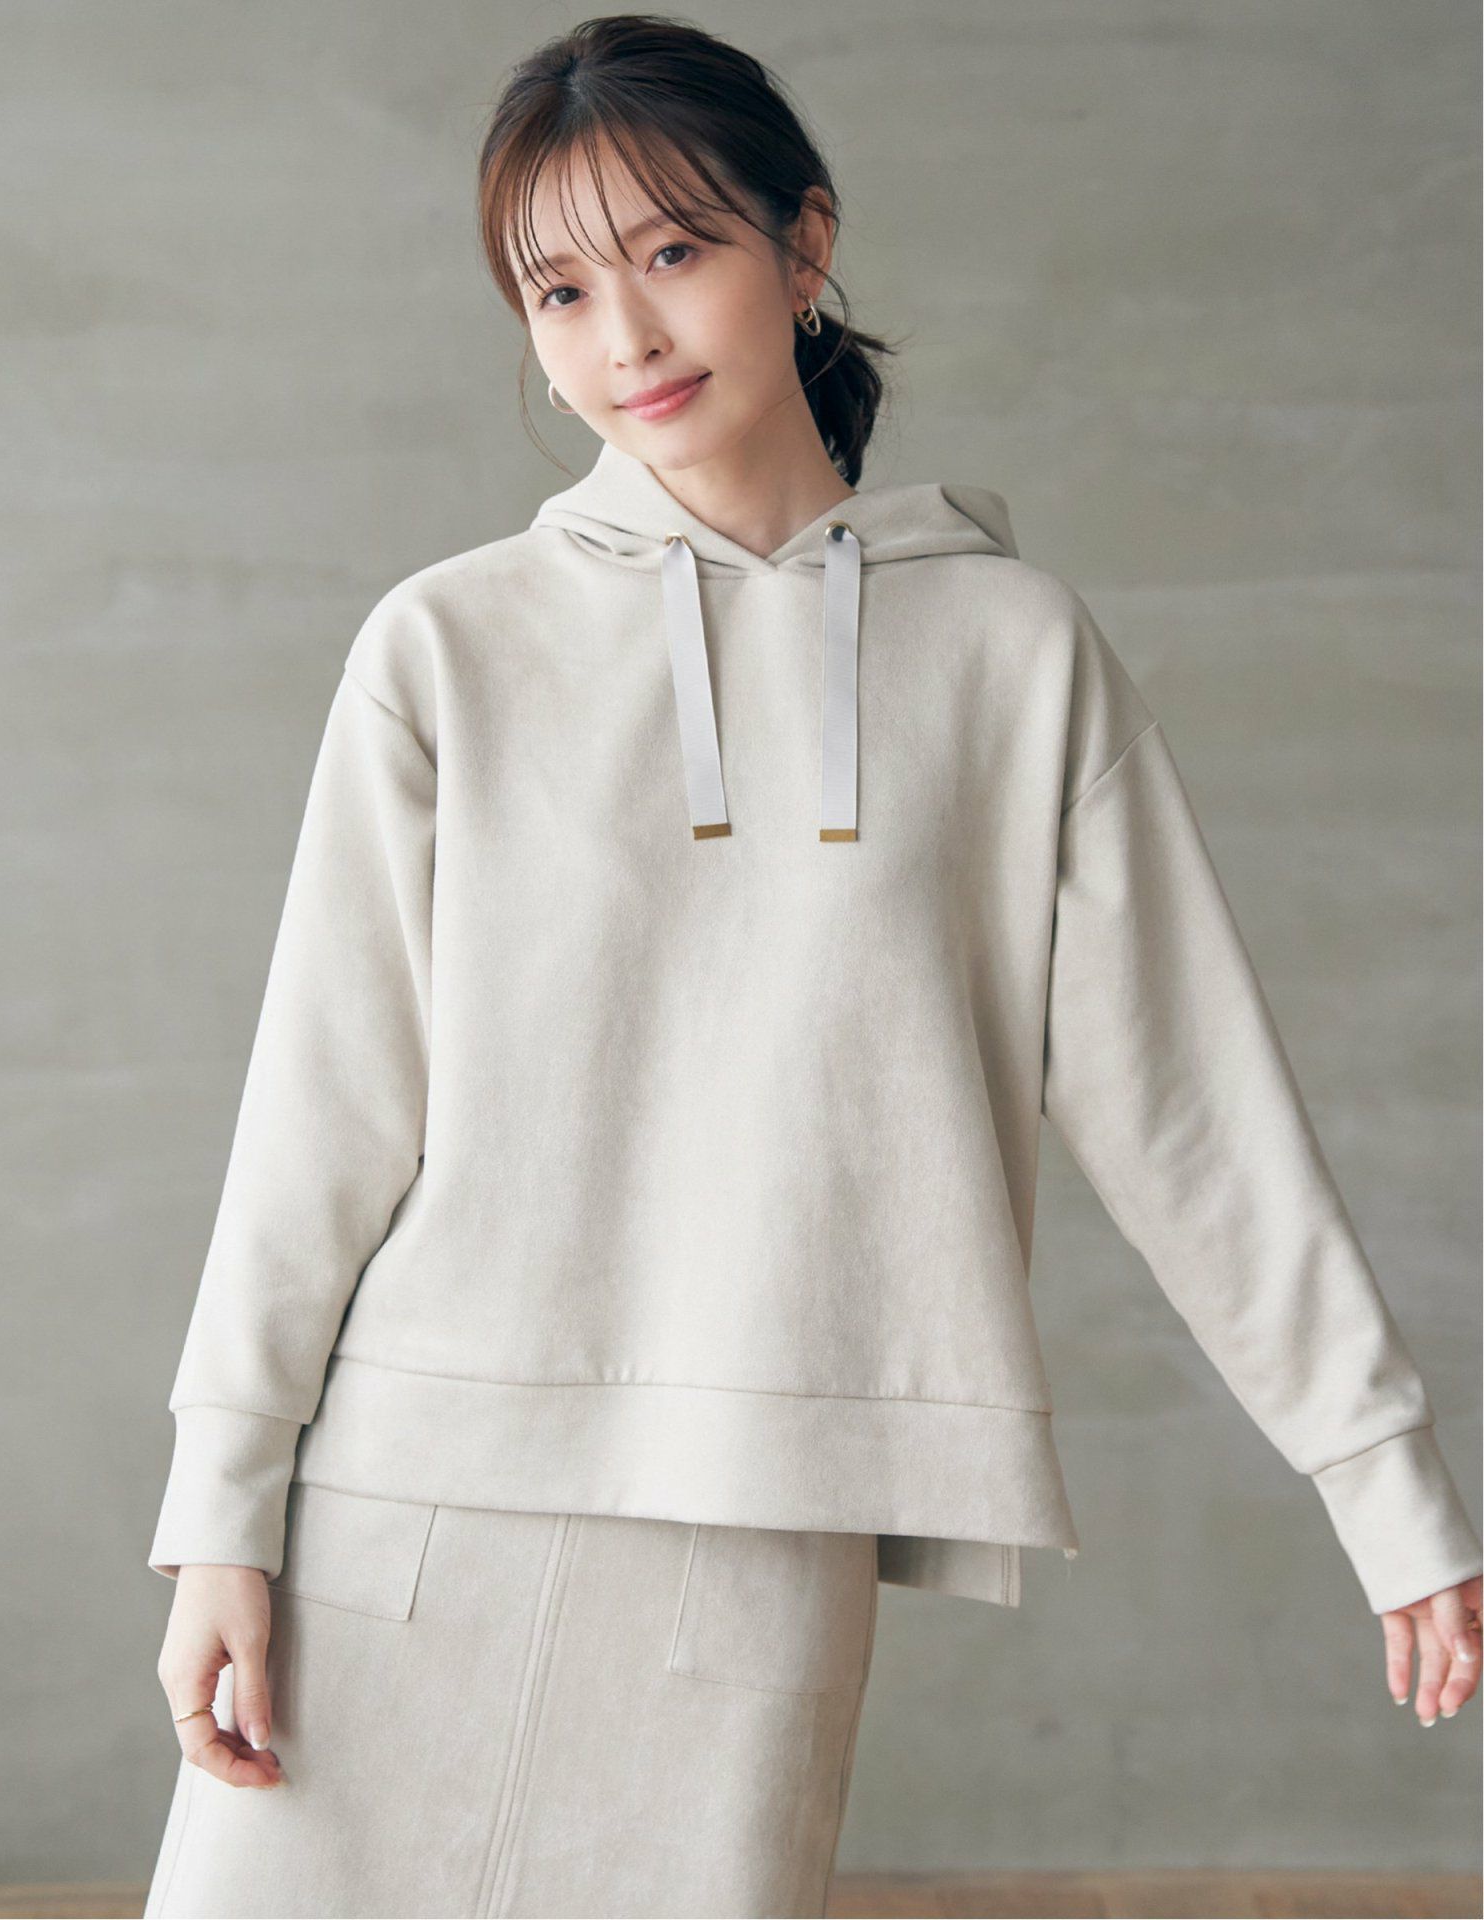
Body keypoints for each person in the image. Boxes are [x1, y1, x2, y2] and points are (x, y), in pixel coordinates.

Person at [143, 13, 1483, 1918]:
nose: (626, 334)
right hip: (403, 1510)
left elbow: (1196, 1113)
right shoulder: (446, 648)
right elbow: (322, 1115)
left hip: (767, 1526)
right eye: (560, 289)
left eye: (676, 250)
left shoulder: (1011, 656)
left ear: (807, 242)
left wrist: (1382, 1480)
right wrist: (219, 1516)